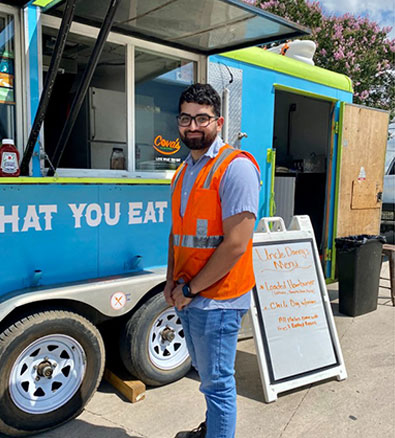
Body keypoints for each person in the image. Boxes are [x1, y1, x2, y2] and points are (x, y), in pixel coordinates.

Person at [164, 83, 260, 438]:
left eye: (202, 119)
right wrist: (171, 280)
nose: (193, 126)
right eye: (186, 118)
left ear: (218, 122)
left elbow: (235, 244)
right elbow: (178, 234)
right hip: (189, 294)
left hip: (218, 299)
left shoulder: (236, 168)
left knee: (218, 385)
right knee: (207, 377)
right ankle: (213, 430)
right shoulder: (184, 171)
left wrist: (189, 288)